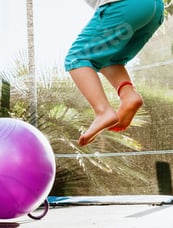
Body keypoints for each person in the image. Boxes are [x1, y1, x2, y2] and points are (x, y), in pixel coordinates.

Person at [65, 0, 164, 146]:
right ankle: (128, 94)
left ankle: (102, 111)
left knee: (77, 58)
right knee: (110, 58)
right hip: (153, 8)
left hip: (124, 6)